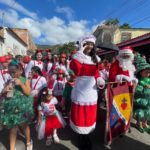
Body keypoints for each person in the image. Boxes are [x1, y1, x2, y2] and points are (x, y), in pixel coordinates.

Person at [70, 35, 105, 150]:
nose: (89, 46)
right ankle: (81, 136)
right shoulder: (77, 58)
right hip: (80, 88)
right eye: (87, 43)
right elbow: (77, 71)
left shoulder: (96, 59)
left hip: (91, 89)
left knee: (89, 114)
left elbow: (96, 73)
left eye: (91, 44)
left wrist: (99, 78)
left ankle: (87, 135)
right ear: (82, 45)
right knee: (81, 114)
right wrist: (80, 55)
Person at [0, 62, 34, 150]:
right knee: (13, 128)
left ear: (20, 70)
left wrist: (21, 84)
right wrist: (4, 90)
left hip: (22, 108)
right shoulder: (9, 80)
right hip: (12, 109)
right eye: (10, 72)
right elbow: (6, 95)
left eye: (14, 72)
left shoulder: (24, 80)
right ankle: (11, 148)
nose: (12, 74)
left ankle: (28, 141)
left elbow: (28, 92)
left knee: (24, 126)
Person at [133, 54, 150, 133]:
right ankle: (138, 123)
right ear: (141, 72)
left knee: (147, 112)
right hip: (141, 100)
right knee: (140, 113)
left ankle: (145, 123)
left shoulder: (149, 80)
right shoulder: (138, 81)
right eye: (146, 72)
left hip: (148, 100)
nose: (148, 74)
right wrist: (144, 88)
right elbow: (137, 90)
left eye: (149, 73)